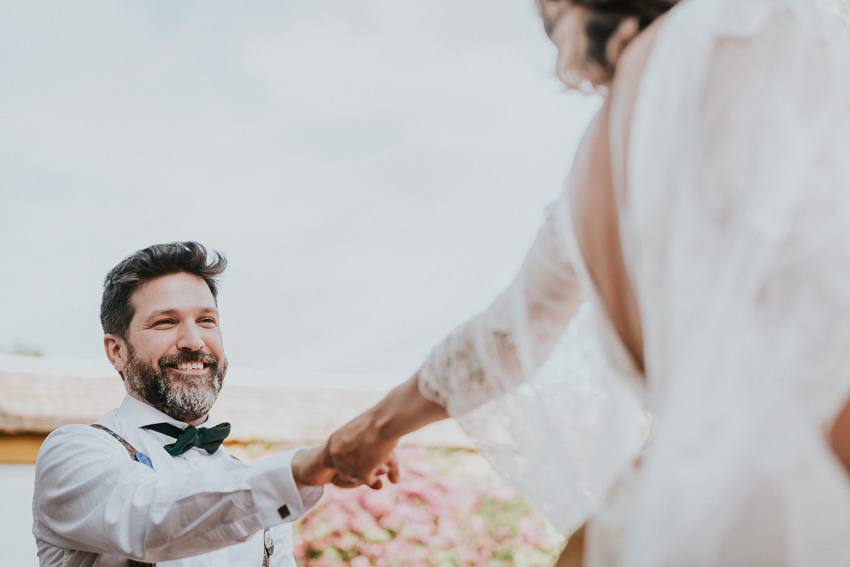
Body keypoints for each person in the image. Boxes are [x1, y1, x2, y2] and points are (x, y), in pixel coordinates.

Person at [321, 0, 850, 564]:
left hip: (693, 525)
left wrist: (378, 427)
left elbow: (501, 340)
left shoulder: (591, 167)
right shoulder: (764, 24)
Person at [32, 242, 397, 567]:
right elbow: (150, 519)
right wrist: (308, 466)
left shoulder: (248, 479)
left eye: (206, 320)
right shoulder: (74, 452)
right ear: (117, 351)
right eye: (165, 322)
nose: (193, 340)